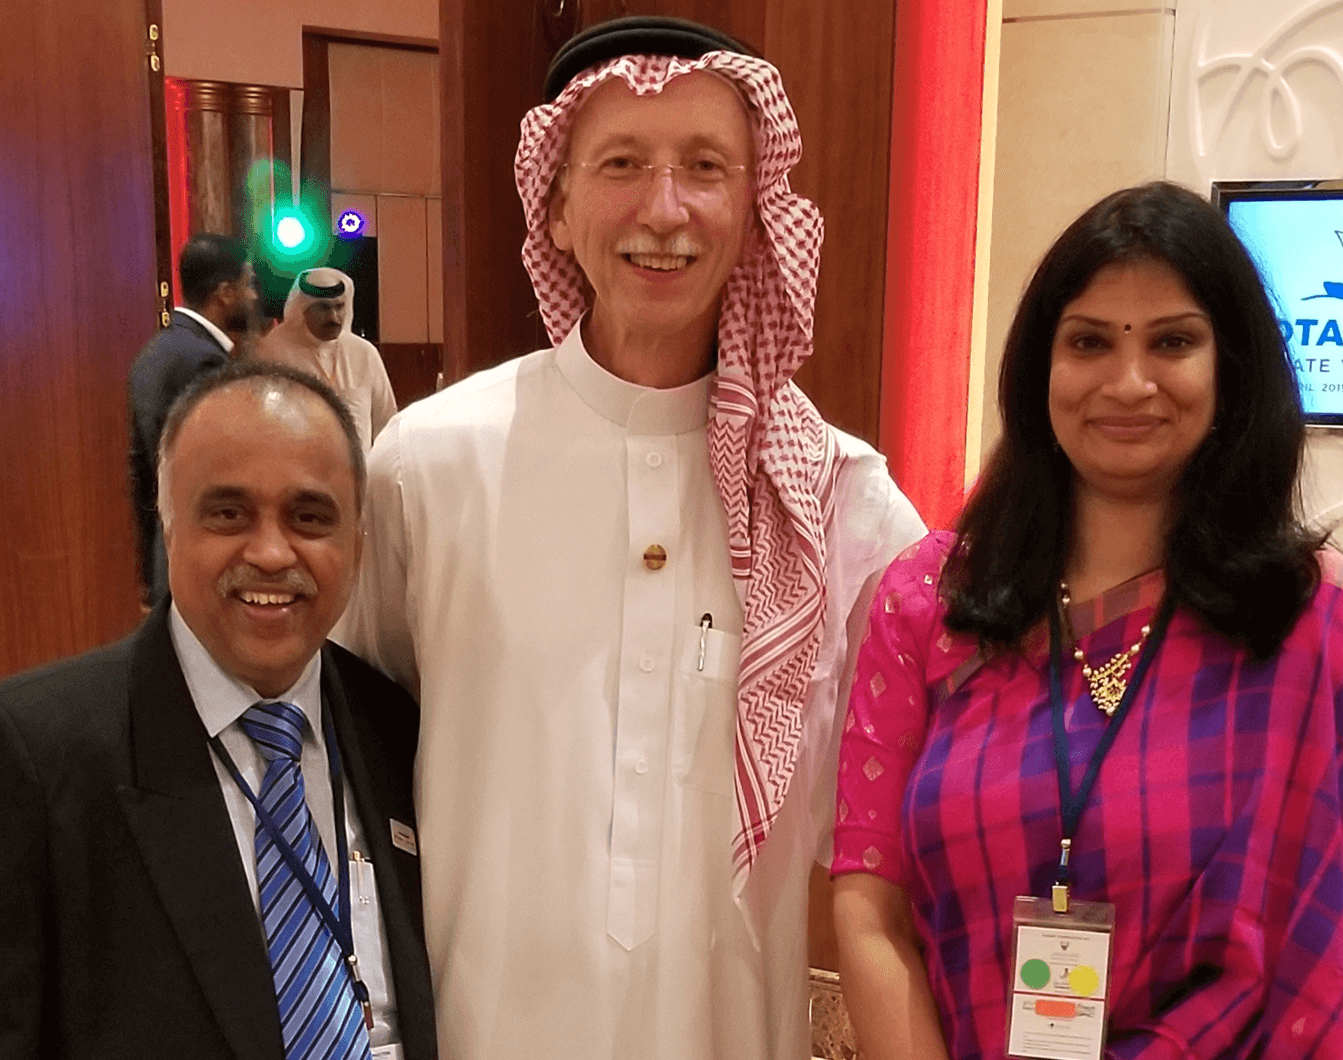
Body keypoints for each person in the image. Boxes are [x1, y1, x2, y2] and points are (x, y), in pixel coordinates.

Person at [339, 15, 925, 1060]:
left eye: (706, 166)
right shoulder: (426, 467)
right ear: (554, 207)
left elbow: (915, 821)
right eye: (620, 164)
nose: (665, 208)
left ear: (756, 210)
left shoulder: (842, 502)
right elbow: (341, 773)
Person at [830, 182, 1343, 1060]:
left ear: (1231, 369)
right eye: (1089, 342)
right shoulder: (929, 601)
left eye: (1173, 342)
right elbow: (869, 906)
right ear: (1041, 366)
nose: (1130, 382)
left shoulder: (1312, 626)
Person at [0, 362, 437, 1060]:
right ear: (168, 525)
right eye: (229, 513)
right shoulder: (32, 755)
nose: (274, 552)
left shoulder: (392, 726)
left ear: (357, 540)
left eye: (310, 517)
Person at [128, 232, 259, 608]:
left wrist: (146, 572)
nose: (252, 296)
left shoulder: (155, 352)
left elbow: (139, 471)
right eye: (247, 284)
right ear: (225, 292)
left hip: (165, 550)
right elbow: (222, 472)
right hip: (199, 561)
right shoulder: (202, 361)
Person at [259, 266, 397, 447]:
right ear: (303, 309)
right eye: (323, 308)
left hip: (358, 472)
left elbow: (386, 422)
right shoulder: (272, 351)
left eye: (339, 307)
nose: (333, 317)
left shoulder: (364, 353)